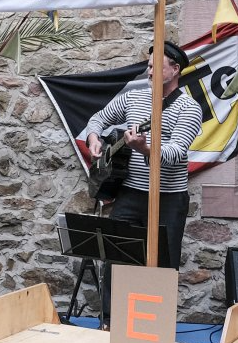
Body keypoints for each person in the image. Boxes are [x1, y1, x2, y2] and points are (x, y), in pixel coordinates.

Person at [82, 42, 205, 271]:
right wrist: (93, 139)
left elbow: (176, 153)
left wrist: (145, 150)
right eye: (149, 66)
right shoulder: (132, 98)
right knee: (116, 263)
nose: (149, 72)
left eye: (156, 67)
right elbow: (97, 119)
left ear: (175, 69)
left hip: (167, 199)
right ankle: (113, 308)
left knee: (161, 269)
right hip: (129, 194)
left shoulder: (189, 108)